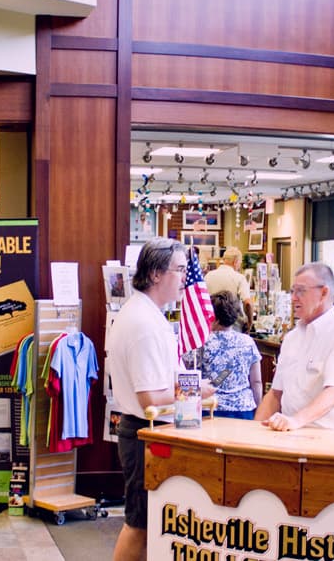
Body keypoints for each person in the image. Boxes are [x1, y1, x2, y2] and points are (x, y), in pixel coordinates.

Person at [105, 238, 186, 561]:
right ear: (155, 274)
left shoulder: (147, 315)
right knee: (139, 523)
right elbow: (150, 397)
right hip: (145, 433)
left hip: (149, 432)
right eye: (179, 270)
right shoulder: (143, 322)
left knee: (151, 523)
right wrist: (192, 392)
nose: (185, 278)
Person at [253, 262, 334, 433]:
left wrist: (296, 421)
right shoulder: (292, 338)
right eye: (292, 291)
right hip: (292, 436)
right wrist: (253, 432)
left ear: (324, 293)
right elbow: (275, 394)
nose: (293, 298)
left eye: (301, 291)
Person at [200, 291, 262, 418]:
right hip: (243, 409)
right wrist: (258, 408)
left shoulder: (201, 342)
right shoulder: (248, 342)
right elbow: (256, 382)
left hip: (210, 408)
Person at [205, 246, 254, 329]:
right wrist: (250, 322)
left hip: (212, 324)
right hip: (234, 326)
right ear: (235, 262)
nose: (239, 266)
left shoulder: (208, 276)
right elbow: (248, 303)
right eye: (240, 263)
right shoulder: (240, 278)